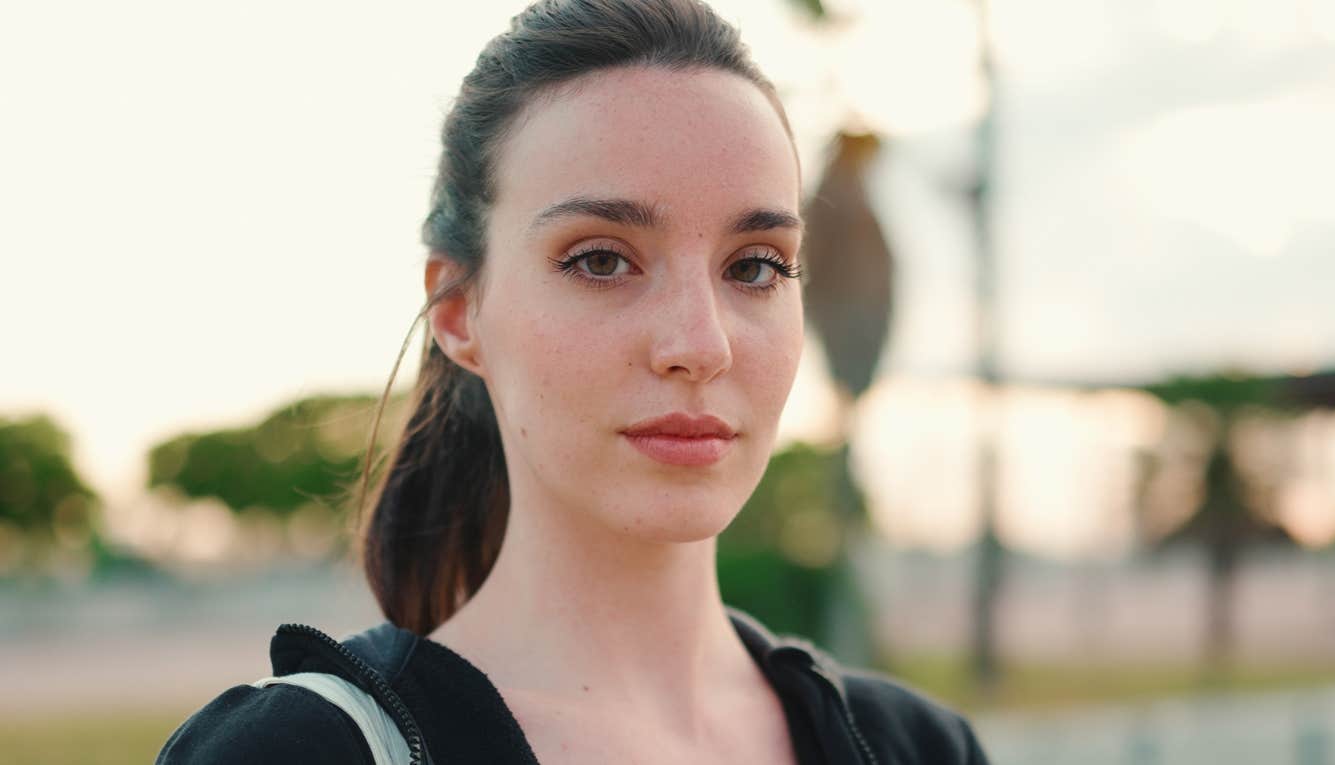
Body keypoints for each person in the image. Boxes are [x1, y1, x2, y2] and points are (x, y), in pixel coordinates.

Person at [157, 0, 991, 763]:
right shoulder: (299, 752)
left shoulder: (919, 748)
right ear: (458, 311)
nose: (701, 344)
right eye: (601, 259)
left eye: (756, 266)